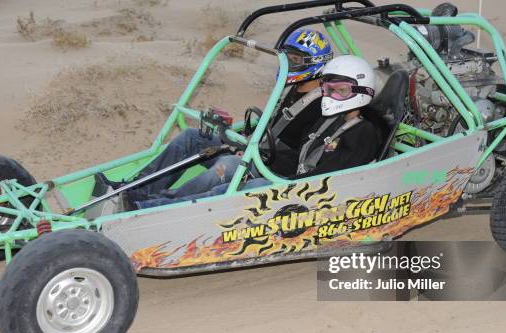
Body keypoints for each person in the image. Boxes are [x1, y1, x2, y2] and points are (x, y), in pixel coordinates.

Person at [98, 28, 333, 209]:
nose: (288, 64)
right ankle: (134, 190)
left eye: (295, 60)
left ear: (314, 63)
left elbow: (300, 157)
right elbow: (270, 127)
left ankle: (150, 207)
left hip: (270, 170)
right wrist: (241, 140)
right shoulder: (290, 88)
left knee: (226, 166)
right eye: (287, 57)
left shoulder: (322, 107)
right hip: (254, 151)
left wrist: (251, 154)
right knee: (193, 136)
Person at [137, 54, 385, 207]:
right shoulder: (331, 118)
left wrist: (273, 177)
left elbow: (329, 179)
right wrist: (253, 156)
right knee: (231, 169)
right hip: (289, 178)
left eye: (339, 90)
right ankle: (151, 201)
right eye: (328, 88)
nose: (330, 95)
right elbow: (299, 154)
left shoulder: (361, 133)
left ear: (362, 92)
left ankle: (154, 209)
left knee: (228, 188)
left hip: (305, 194)